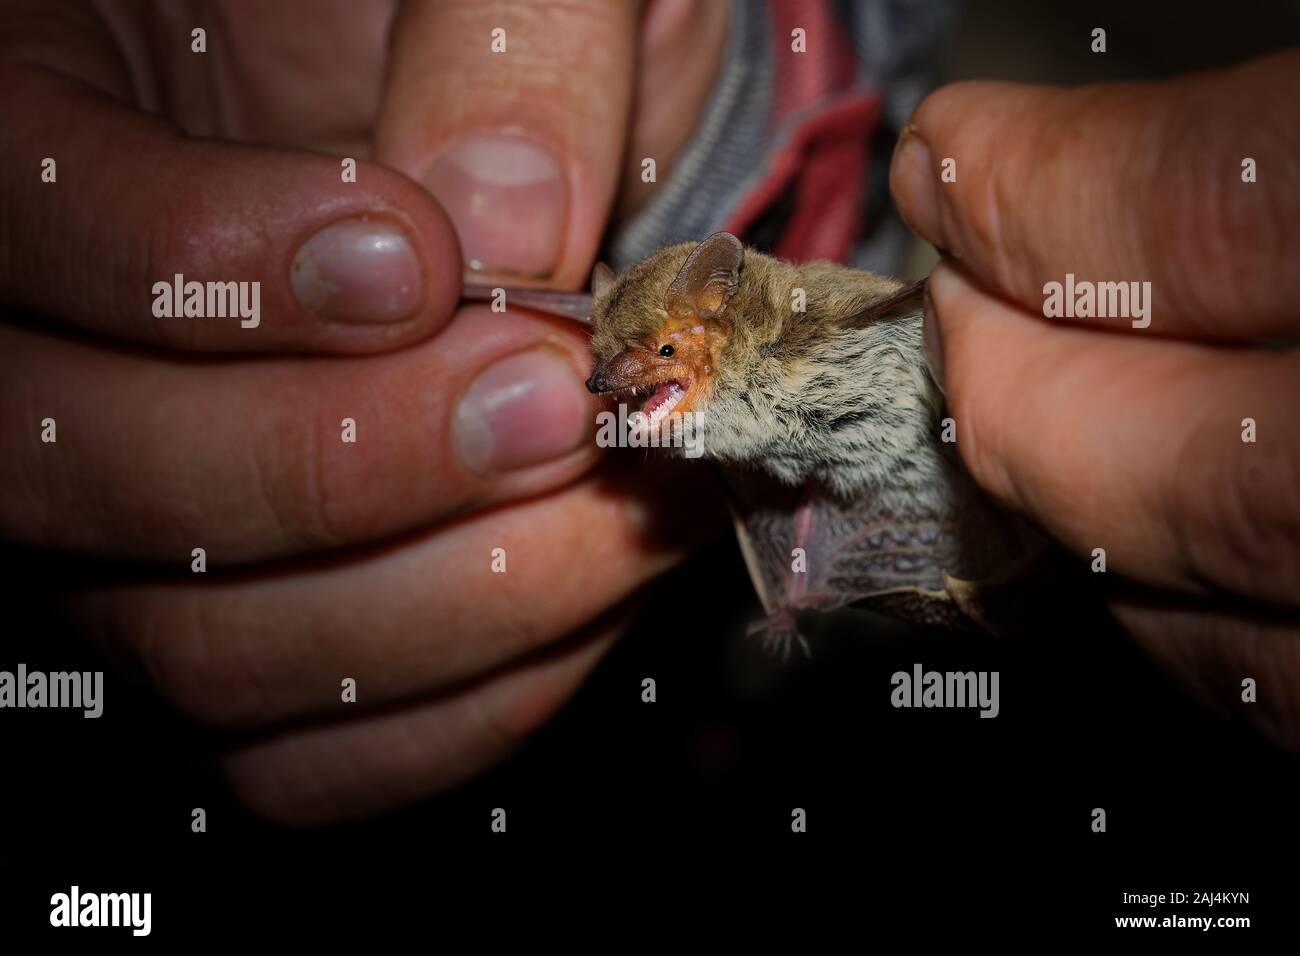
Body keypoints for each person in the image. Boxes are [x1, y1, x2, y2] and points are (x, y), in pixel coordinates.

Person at [0, 0, 1294, 825]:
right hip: (891, 507)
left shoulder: (828, 329)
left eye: (658, 363)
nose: (621, 399)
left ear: (722, 333)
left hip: (976, 428)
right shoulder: (670, 387)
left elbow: (910, 299)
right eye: (624, 376)